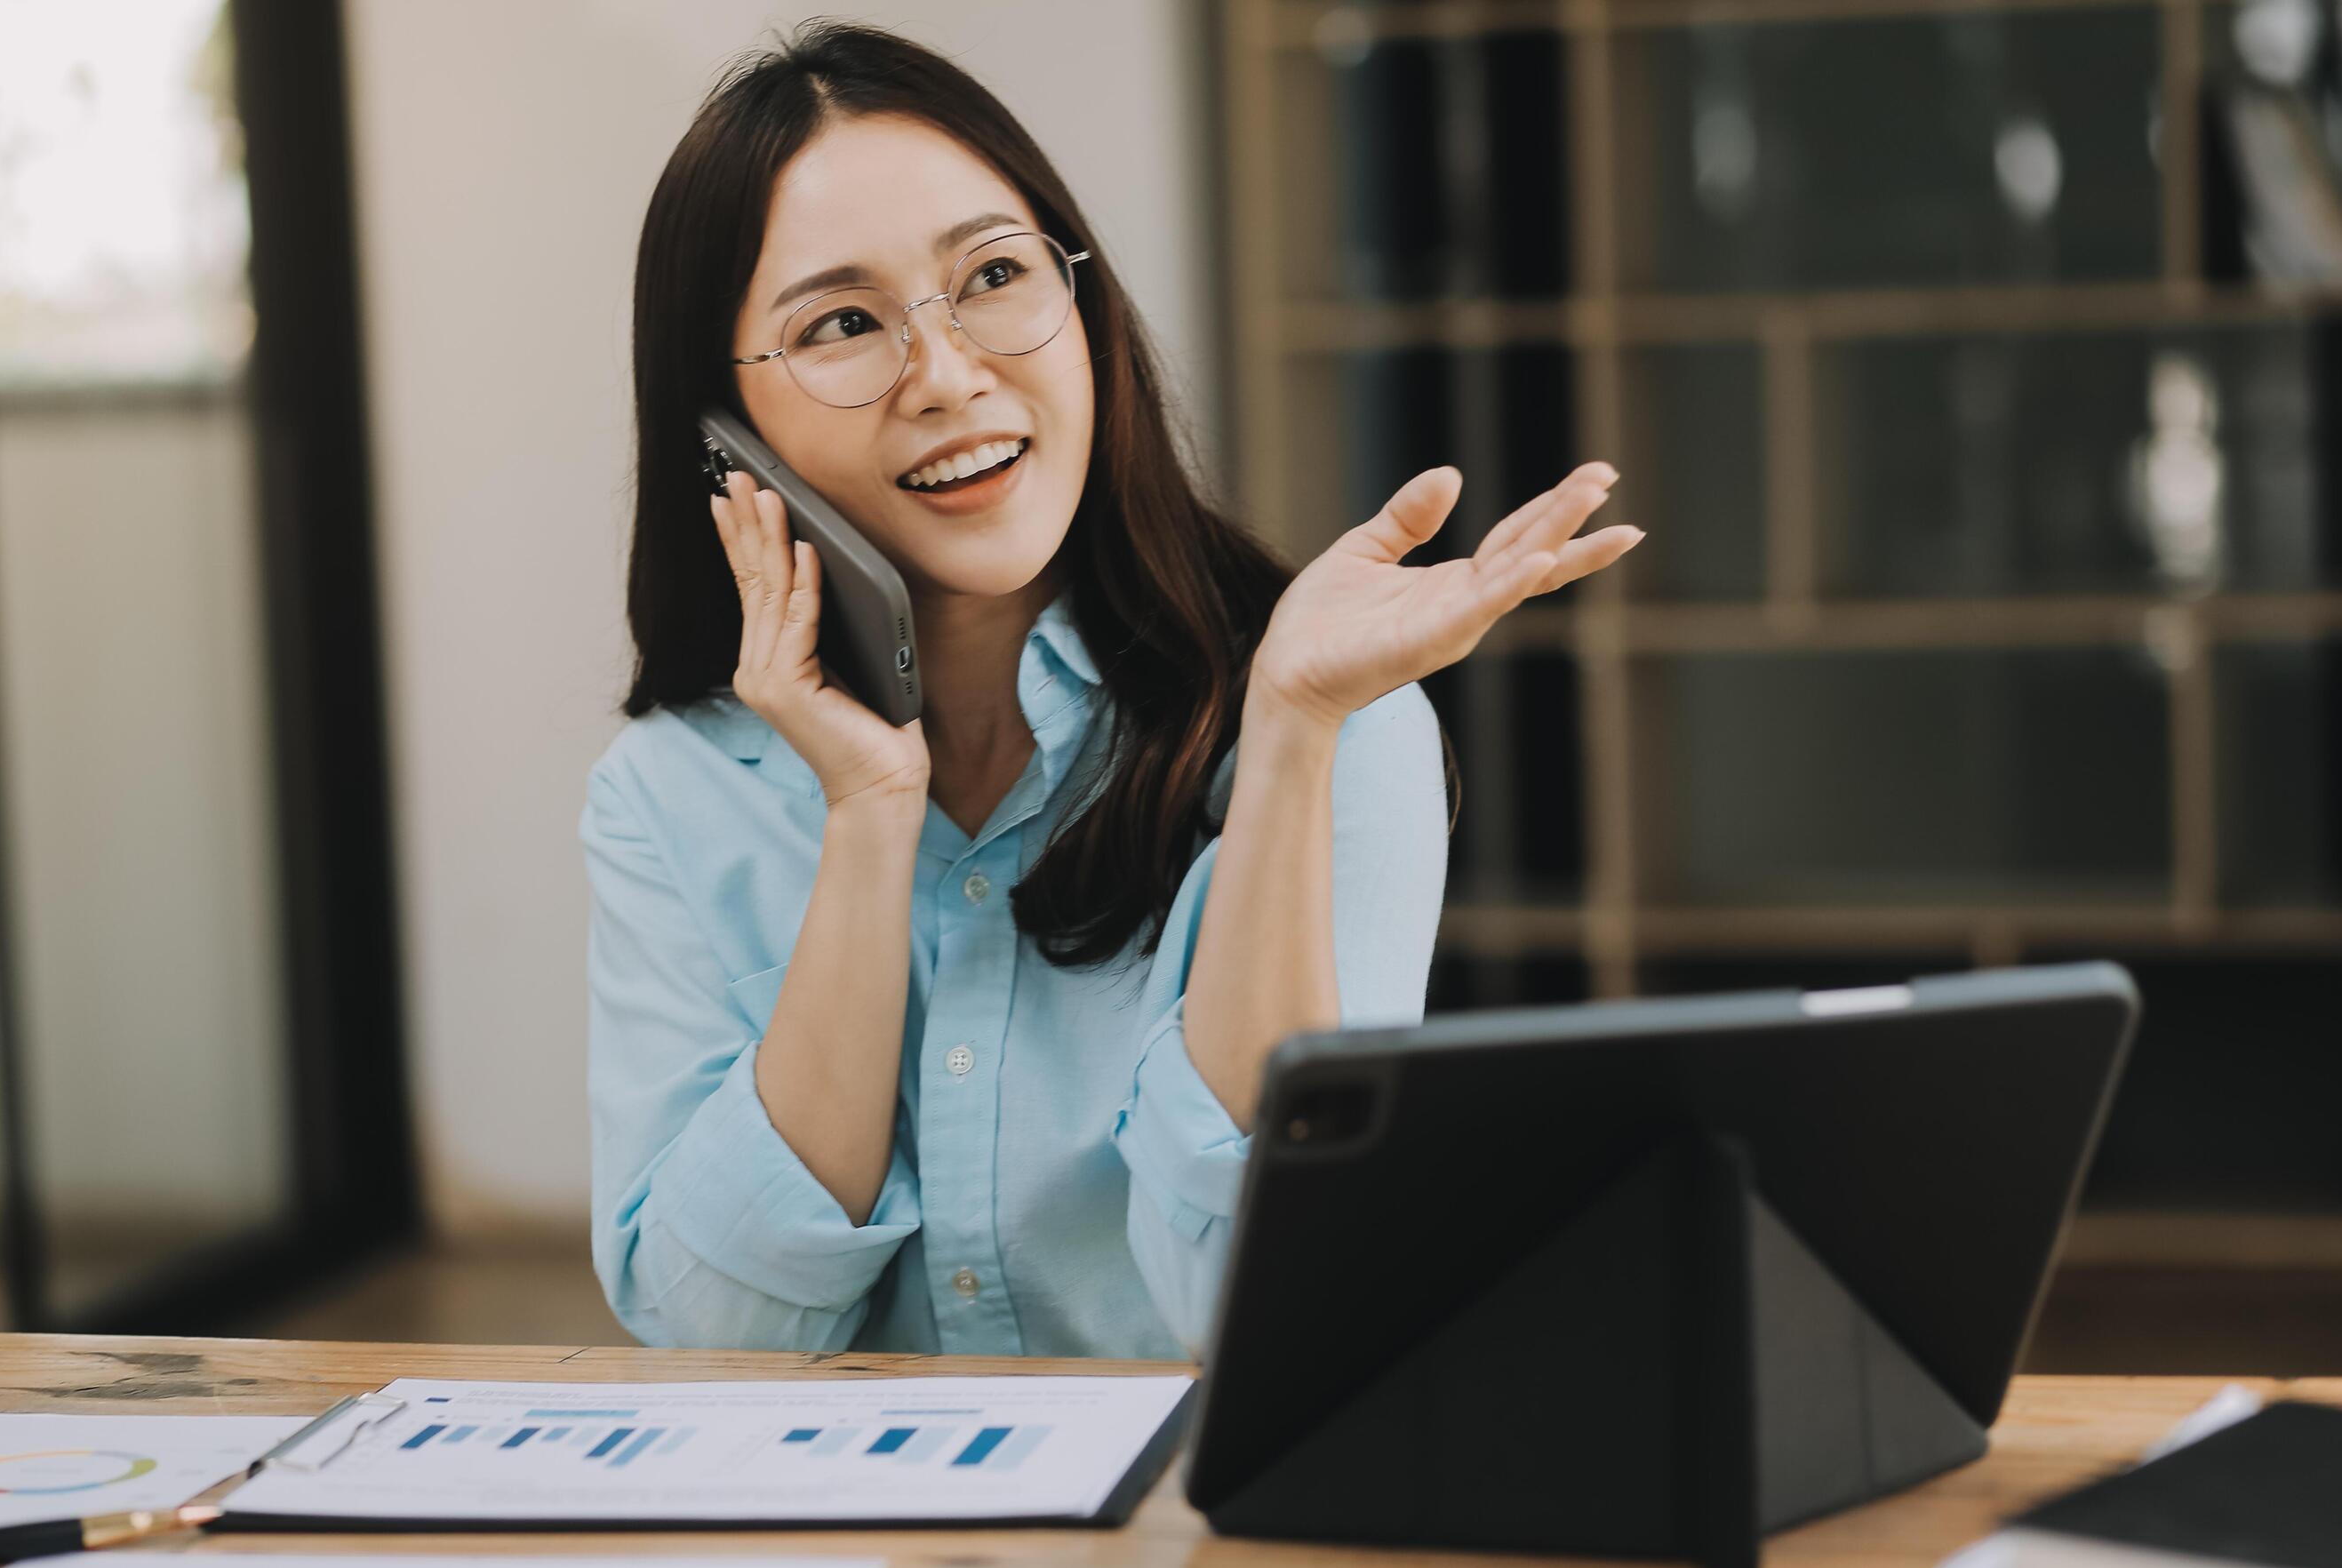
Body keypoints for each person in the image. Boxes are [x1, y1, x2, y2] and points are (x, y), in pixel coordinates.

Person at [586, 22, 1643, 1358]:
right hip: (847, 1546)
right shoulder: (669, 794)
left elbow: (1266, 1301)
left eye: (994, 276)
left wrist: (1298, 737)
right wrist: (866, 816)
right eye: (843, 324)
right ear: (721, 432)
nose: (951, 376)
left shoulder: (1331, 722)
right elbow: (714, 1338)